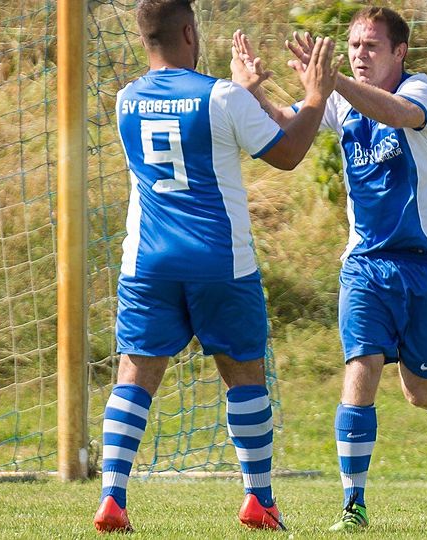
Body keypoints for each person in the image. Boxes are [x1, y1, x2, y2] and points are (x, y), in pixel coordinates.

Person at [93, 0, 341, 532]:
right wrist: (316, 95)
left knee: (134, 377)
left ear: (145, 39)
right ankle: (259, 499)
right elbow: (289, 151)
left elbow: (195, 132)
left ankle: (113, 496)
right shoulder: (220, 95)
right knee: (243, 373)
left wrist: (248, 94)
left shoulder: (125, 100)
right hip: (219, 261)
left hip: (148, 263)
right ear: (189, 30)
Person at [235, 6, 427, 531]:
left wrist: (332, 80)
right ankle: (354, 505)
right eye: (353, 46)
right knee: (360, 369)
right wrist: (254, 92)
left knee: (418, 387)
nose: (360, 55)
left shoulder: (423, 91)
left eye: (371, 46)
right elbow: (291, 124)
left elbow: (397, 115)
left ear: (399, 52)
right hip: (365, 263)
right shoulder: (341, 99)